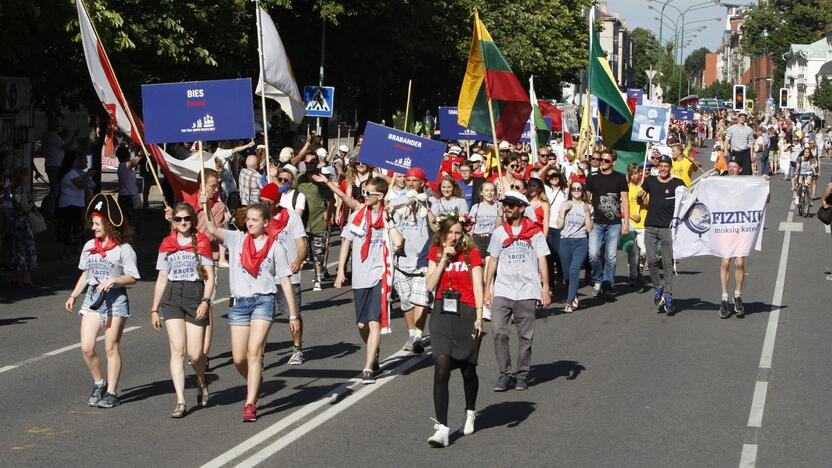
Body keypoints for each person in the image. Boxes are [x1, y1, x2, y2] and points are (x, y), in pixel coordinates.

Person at [202, 200, 298, 422]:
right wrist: (206, 205)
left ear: (266, 223)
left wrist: (293, 314)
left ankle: (250, 402)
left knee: (254, 352)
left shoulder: (275, 247)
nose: (250, 223)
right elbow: (212, 228)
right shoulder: (237, 239)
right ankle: (255, 381)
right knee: (238, 358)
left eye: (255, 220)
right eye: (248, 219)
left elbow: (285, 281)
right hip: (239, 304)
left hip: (263, 302)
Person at [64, 194, 139, 409]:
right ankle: (99, 383)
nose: (93, 228)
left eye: (97, 224)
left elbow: (133, 277)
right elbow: (86, 275)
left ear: (108, 224)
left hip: (116, 300)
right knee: (87, 347)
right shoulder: (89, 246)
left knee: (110, 347)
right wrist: (73, 295)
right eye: (93, 224)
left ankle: (112, 392)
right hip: (92, 300)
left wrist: (114, 279)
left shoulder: (124, 249)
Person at [424, 212, 485, 447]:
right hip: (441, 314)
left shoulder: (472, 254)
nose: (454, 237)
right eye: (450, 232)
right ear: (442, 233)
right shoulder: (437, 252)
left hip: (467, 313)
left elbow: (478, 287)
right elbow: (430, 285)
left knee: (468, 371)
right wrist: (442, 261)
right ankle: (442, 428)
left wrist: (479, 317)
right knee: (441, 367)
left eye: (458, 233)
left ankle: (470, 411)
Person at [150, 202, 214, 418]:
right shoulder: (167, 243)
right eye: (178, 219)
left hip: (196, 294)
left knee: (195, 354)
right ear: (173, 222)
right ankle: (180, 401)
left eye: (186, 219)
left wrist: (205, 300)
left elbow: (210, 276)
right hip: (173, 296)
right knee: (177, 350)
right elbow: (161, 278)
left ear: (192, 220)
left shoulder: (202, 241)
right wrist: (153, 309)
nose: (183, 222)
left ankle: (201, 380)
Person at [484, 191, 550, 391]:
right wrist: (488, 289)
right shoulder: (499, 232)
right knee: (498, 331)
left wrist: (545, 288)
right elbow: (493, 260)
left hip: (527, 290)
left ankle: (522, 374)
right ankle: (505, 373)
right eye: (505, 205)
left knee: (525, 336)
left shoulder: (535, 232)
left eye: (511, 205)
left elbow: (542, 259)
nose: (507, 208)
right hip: (504, 289)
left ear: (522, 208)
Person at [335, 177, 394, 383]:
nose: (364, 196)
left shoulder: (388, 217)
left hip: (380, 275)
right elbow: (346, 242)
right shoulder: (358, 216)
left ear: (379, 196)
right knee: (362, 325)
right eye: (363, 192)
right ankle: (373, 348)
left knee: (374, 322)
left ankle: (368, 367)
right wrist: (341, 270)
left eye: (368, 193)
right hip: (360, 276)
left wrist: (391, 219)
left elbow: (398, 242)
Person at [259, 183, 309, 365]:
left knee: (293, 315)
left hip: (287, 275)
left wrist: (298, 261)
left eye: (268, 203)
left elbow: (302, 244)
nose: (264, 206)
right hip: (264, 277)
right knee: (261, 318)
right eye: (261, 201)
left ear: (277, 203)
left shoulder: (291, 217)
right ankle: (259, 354)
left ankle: (297, 349)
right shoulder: (257, 218)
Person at [391, 167, 437, 353]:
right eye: (408, 180)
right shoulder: (398, 201)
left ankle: (418, 337)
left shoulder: (431, 201)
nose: (410, 183)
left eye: (414, 180)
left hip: (422, 260)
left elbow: (435, 227)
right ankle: (412, 334)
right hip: (402, 259)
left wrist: (426, 207)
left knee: (421, 300)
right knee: (406, 302)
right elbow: (389, 222)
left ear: (423, 183)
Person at [637, 155, 686, 315]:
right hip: (650, 227)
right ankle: (658, 287)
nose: (664, 169)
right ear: (658, 167)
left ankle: (668, 295)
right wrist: (639, 196)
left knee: (667, 264)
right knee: (651, 261)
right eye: (661, 166)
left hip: (667, 228)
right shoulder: (650, 180)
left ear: (670, 167)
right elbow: (641, 198)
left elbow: (688, 199)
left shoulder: (677, 183)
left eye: (667, 166)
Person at [585, 149, 630, 299]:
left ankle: (607, 283)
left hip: (614, 223)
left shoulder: (620, 178)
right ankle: (598, 278)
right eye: (601, 160)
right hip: (596, 222)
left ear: (613, 162)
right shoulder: (592, 176)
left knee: (610, 256)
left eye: (606, 160)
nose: (602, 163)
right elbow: (586, 199)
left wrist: (626, 222)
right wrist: (586, 218)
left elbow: (625, 200)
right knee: (593, 254)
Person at [296, 154, 335, 291]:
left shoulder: (321, 180)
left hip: (318, 220)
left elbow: (331, 200)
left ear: (317, 163)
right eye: (307, 163)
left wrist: (328, 212)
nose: (309, 165)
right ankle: (295, 281)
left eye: (312, 163)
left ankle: (318, 279)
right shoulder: (300, 180)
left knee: (318, 252)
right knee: (302, 251)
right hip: (302, 222)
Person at [556, 181, 593, 313]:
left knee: (574, 270)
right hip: (565, 242)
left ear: (583, 191)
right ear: (570, 191)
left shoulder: (587, 206)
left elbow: (589, 229)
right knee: (567, 275)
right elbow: (559, 226)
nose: (576, 191)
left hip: (580, 242)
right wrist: (562, 212)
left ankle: (569, 301)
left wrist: (587, 213)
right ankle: (573, 294)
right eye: (573, 189)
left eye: (579, 188)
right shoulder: (564, 204)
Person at [7, 167, 37, 288]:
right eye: (26, 176)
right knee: (27, 249)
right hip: (23, 223)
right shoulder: (22, 190)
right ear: (22, 177)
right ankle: (26, 278)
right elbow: (25, 208)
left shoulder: (12, 190)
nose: (27, 178)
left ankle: (15, 277)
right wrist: (32, 202)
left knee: (17, 249)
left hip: (15, 222)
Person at [57, 150, 90, 257]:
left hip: (70, 203)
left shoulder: (66, 172)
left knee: (69, 229)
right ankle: (70, 252)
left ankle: (68, 252)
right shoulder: (71, 173)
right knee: (73, 229)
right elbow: (81, 185)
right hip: (72, 204)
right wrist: (88, 175)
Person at [545, 171, 568, 291]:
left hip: (561, 226)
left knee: (559, 254)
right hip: (548, 225)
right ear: (548, 178)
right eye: (551, 176)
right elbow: (536, 176)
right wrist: (548, 166)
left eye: (556, 176)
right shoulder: (546, 190)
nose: (554, 178)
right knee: (549, 255)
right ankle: (550, 282)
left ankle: (561, 276)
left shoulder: (566, 191)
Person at [626, 163, 646, 287]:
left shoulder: (644, 186)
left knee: (644, 250)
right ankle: (633, 275)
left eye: (636, 173)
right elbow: (622, 206)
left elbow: (648, 203)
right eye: (632, 173)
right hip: (631, 222)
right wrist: (631, 215)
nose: (634, 176)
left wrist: (643, 199)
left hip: (643, 222)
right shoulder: (626, 187)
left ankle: (640, 267)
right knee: (631, 250)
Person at [469, 181, 501, 256]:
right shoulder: (476, 207)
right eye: (486, 190)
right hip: (477, 239)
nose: (489, 193)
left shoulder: (498, 206)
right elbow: (471, 225)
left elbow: (501, 226)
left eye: (492, 190)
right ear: (481, 193)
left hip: (492, 239)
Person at [116, 146, 142, 233]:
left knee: (131, 219)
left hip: (129, 195)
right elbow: (134, 162)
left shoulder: (124, 166)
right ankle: (129, 237)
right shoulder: (124, 165)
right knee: (130, 220)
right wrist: (141, 154)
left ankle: (130, 236)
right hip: (127, 197)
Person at [725, 111, 755, 175]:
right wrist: (725, 150)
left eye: (744, 117)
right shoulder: (731, 128)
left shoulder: (749, 130)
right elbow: (727, 140)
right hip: (735, 153)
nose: (742, 119)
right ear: (738, 118)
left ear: (746, 119)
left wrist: (751, 155)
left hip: (745, 153)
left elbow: (751, 144)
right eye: (741, 117)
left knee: (746, 172)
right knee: (734, 172)